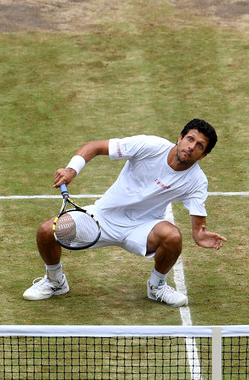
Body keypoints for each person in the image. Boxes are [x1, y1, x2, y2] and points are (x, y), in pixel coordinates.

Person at [23, 119, 226, 307]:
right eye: (190, 139)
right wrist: (71, 170)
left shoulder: (197, 181)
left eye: (200, 145)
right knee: (46, 231)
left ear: (204, 155)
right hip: (101, 219)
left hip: (142, 229)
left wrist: (201, 236)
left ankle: (157, 287)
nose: (192, 146)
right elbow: (95, 147)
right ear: (180, 138)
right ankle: (55, 281)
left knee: (172, 236)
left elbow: (198, 227)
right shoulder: (150, 146)